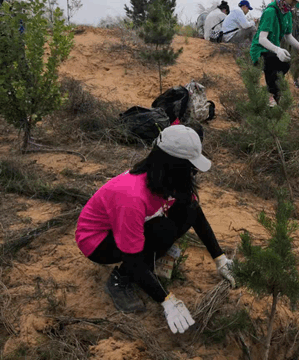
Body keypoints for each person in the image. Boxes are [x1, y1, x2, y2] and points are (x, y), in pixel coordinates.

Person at [75, 125, 235, 334]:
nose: (194, 173)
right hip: (97, 242)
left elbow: (196, 215)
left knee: (187, 210)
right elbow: (132, 257)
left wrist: (220, 258)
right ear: (174, 166)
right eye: (191, 168)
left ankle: (149, 260)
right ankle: (119, 280)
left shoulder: (166, 181)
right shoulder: (132, 197)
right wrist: (167, 300)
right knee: (161, 231)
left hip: (122, 228)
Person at [249, 0, 299, 107]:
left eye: (296, 1)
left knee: (285, 64)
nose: (294, 3)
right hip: (260, 50)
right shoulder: (271, 12)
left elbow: (288, 36)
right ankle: (269, 95)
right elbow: (262, 38)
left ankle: (273, 97)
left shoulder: (286, 13)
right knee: (275, 63)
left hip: (272, 50)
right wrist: (277, 50)